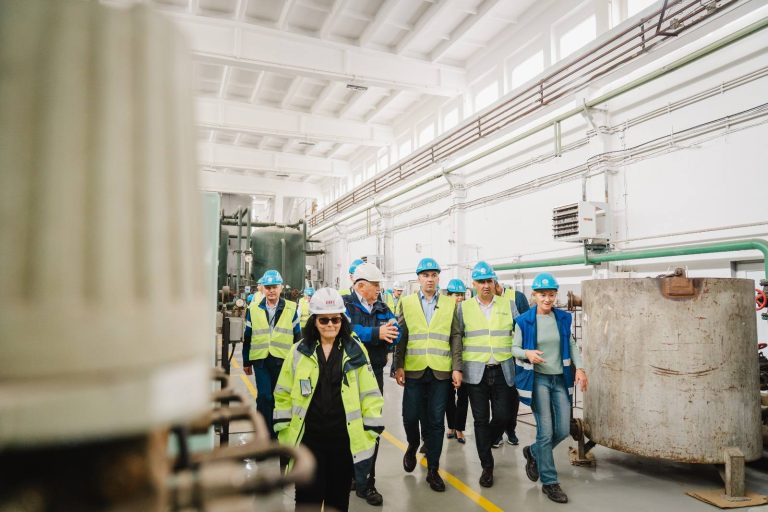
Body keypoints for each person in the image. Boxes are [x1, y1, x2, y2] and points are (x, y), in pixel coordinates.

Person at [273, 288, 384, 512]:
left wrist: (370, 432)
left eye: (336, 319)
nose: (330, 324)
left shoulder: (355, 351)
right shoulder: (298, 352)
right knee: (307, 502)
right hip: (308, 441)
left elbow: (371, 394)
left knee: (338, 502)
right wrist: (284, 431)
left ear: (342, 320)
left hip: (343, 442)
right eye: (324, 320)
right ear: (314, 321)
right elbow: (282, 393)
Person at [515, 272, 588, 504]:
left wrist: (580, 368)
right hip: (538, 381)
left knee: (563, 429)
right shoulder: (524, 321)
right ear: (534, 295)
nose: (547, 299)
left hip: (559, 380)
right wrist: (527, 353)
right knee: (545, 432)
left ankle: (533, 451)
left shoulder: (562, 318)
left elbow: (572, 344)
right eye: (542, 295)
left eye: (551, 295)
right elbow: (513, 348)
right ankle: (549, 482)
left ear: (556, 295)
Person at [393, 259, 462, 492]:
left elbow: (455, 337)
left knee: (436, 421)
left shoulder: (450, 304)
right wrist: (398, 365)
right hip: (414, 369)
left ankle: (433, 469)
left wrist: (457, 367)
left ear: (438, 277)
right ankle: (413, 444)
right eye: (425, 275)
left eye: (433, 275)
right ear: (418, 278)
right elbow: (401, 335)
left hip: (441, 372)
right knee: (410, 415)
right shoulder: (407, 302)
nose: (430, 279)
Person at [451, 261, 520, 488]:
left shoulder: (508, 305)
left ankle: (485, 441)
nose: (486, 285)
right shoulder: (464, 308)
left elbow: (520, 332)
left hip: (502, 370)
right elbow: (457, 340)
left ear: (494, 282)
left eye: (489, 281)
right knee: (480, 420)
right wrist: (457, 368)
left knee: (503, 416)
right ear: (474, 284)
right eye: (481, 282)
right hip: (475, 373)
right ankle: (487, 466)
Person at [343, 262, 400, 506]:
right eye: (375, 285)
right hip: (347, 374)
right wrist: (376, 334)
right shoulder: (344, 305)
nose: (379, 289)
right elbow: (345, 331)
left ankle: (366, 482)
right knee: (347, 425)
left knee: (371, 425)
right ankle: (349, 476)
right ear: (360, 286)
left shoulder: (382, 307)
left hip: (374, 372)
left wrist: (385, 336)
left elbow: (395, 331)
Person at [241, 269, 301, 438]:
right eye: (268, 287)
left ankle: (278, 431)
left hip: (283, 360)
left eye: (274, 287)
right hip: (260, 360)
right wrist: (246, 361)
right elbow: (247, 336)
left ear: (281, 287)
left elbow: (298, 337)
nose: (271, 291)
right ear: (262, 289)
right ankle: (264, 433)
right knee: (264, 396)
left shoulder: (291, 308)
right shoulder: (253, 309)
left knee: (281, 396)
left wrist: (298, 362)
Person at [492, 283, 531, 448]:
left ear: (496, 285)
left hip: (515, 357)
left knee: (513, 396)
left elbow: (527, 324)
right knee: (497, 398)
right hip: (496, 357)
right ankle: (497, 433)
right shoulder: (485, 301)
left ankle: (511, 430)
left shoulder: (517, 297)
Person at [444, 279, 469, 445]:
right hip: (447, 359)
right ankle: (451, 426)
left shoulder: (468, 311)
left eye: (461, 295)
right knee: (448, 396)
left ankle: (459, 428)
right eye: (456, 295)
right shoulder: (444, 312)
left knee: (463, 396)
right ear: (449, 295)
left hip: (465, 359)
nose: (459, 298)